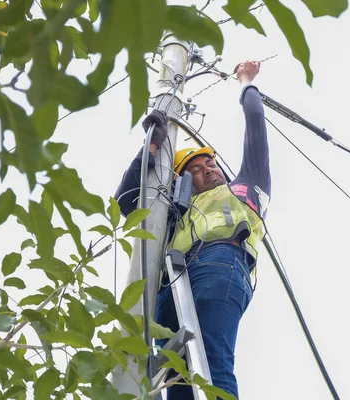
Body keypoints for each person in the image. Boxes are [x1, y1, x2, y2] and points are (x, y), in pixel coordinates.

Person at [115, 60, 270, 399]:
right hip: (171, 280)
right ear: (184, 182)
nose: (208, 170)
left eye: (210, 163)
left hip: (221, 261)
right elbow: (126, 201)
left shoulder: (245, 187)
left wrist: (245, 81)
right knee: (175, 378)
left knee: (211, 363)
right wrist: (151, 149)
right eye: (196, 169)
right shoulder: (173, 211)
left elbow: (256, 125)